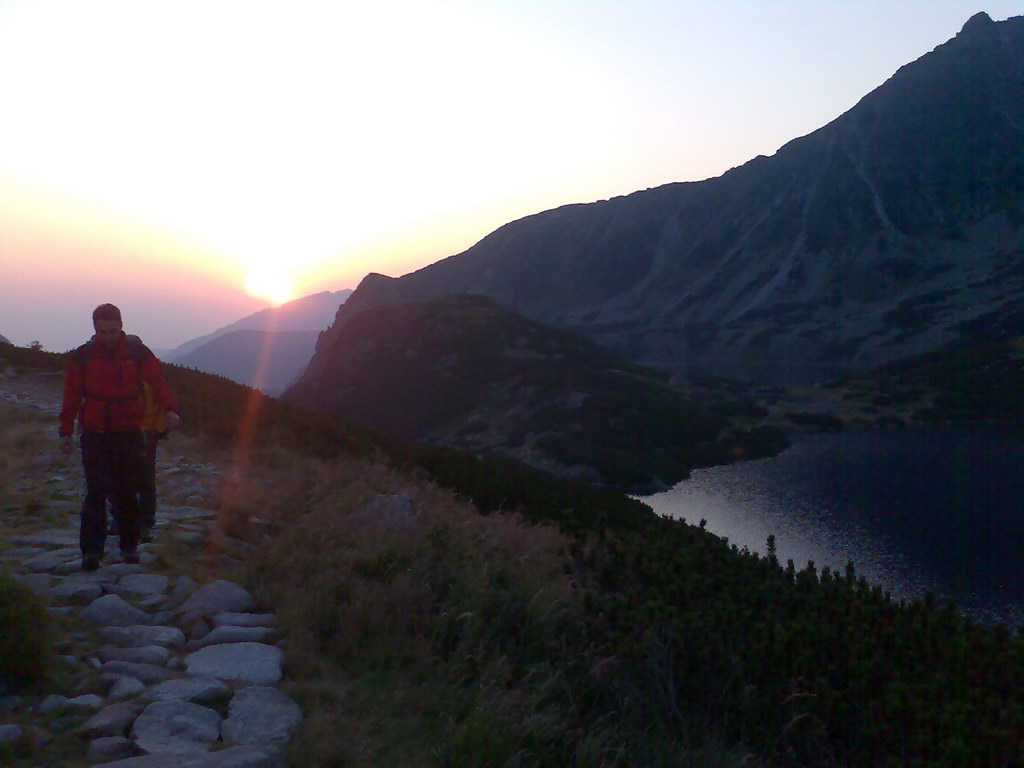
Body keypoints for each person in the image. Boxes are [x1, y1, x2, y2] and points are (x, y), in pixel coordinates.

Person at [60, 304, 181, 570]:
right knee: (96, 492)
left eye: (113, 331)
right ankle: (91, 552)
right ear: (94, 329)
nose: (109, 336)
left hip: (129, 432)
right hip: (94, 432)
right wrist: (66, 431)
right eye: (103, 331)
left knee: (126, 490)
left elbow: (158, 382)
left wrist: (171, 409)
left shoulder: (138, 353)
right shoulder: (82, 357)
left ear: (121, 326)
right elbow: (71, 396)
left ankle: (129, 546)